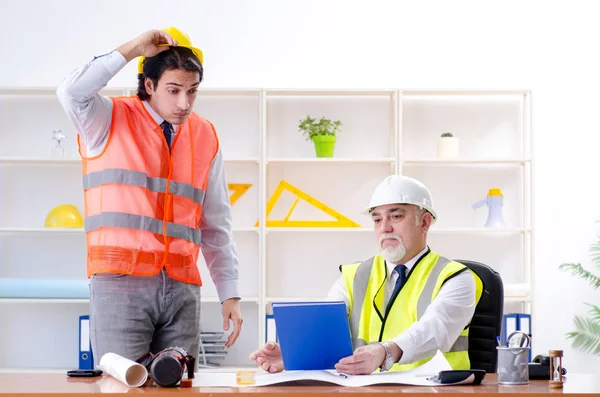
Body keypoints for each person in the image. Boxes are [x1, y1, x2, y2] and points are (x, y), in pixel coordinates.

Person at [57, 27, 243, 366]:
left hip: (183, 288)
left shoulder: (205, 134)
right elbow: (71, 91)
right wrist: (132, 48)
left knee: (180, 387)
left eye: (192, 91)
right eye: (173, 90)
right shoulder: (107, 118)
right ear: (149, 85)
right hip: (120, 283)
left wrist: (229, 292)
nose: (183, 103)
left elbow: (216, 223)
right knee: (122, 386)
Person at [250, 175, 482, 375]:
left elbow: (434, 331)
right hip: (365, 391)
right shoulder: (354, 276)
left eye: (396, 216)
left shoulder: (456, 278)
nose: (385, 227)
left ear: (424, 222)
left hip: (431, 392)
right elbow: (325, 331)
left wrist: (384, 352)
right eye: (377, 219)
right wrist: (296, 355)